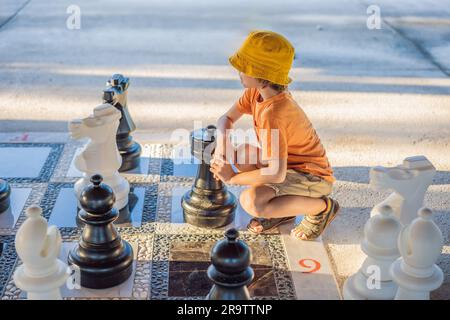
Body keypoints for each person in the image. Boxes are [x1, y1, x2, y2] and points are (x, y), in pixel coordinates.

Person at [210, 30, 339, 240]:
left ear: (262, 76)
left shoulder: (274, 113)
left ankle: (322, 208)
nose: (239, 72)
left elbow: (276, 174)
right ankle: (282, 213)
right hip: (287, 167)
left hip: (312, 176)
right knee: (243, 154)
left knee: (251, 201)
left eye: (244, 68)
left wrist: (233, 178)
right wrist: (222, 152)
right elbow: (226, 119)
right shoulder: (257, 92)